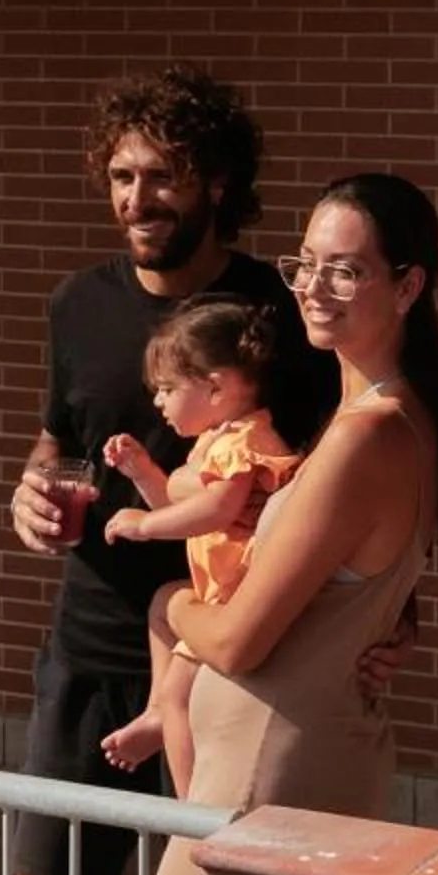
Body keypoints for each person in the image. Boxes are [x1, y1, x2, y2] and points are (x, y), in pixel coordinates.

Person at [90, 173, 438, 875]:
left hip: (258, 794)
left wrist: (168, 603)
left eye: (348, 269)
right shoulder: (396, 419)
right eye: (307, 263)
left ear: (407, 285)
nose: (315, 286)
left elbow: (241, 635)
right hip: (276, 777)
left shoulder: (368, 434)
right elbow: (367, 585)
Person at [1, 69, 308, 875]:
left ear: (217, 183)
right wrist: (31, 493)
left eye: (163, 176)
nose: (138, 197)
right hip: (89, 656)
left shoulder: (277, 316)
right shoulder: (77, 303)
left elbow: (329, 482)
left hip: (229, 667)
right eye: (123, 175)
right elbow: (58, 443)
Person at [96, 298, 301, 799]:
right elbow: (180, 506)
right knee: (162, 606)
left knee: (181, 694)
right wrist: (143, 472)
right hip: (218, 592)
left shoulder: (245, 441)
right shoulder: (216, 440)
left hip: (238, 598)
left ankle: (191, 806)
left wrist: (145, 527)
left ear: (215, 387)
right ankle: (155, 714)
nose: (158, 403)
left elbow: (217, 511)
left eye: (167, 389)